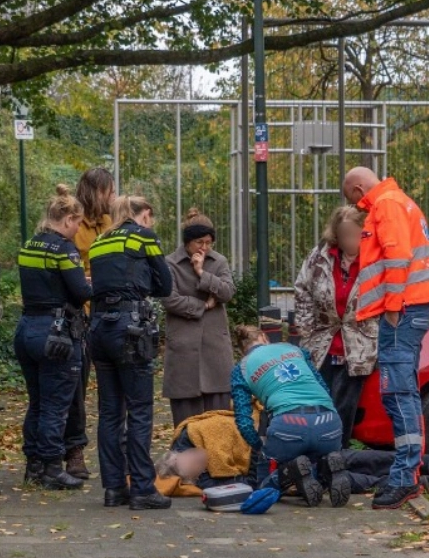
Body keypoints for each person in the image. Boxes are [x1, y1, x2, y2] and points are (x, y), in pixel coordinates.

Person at [342, 167, 429, 510]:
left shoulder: (385, 205)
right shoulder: (400, 201)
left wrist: (392, 305)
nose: (358, 209)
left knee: (398, 393)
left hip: (402, 312)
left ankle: (404, 477)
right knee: (402, 393)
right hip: (410, 310)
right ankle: (408, 472)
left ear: (359, 189)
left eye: (354, 202)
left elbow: (397, 256)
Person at [87, 195, 174, 511]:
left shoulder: (99, 242)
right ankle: (141, 488)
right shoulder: (143, 236)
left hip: (98, 328)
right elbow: (165, 285)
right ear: (144, 215)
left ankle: (113, 488)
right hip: (131, 329)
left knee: (110, 412)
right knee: (139, 409)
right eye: (151, 217)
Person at [15, 184, 93, 490]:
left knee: (36, 401)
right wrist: (94, 282)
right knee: (55, 405)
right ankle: (51, 467)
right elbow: (81, 292)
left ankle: (32, 465)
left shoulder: (29, 245)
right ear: (68, 219)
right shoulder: (64, 249)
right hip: (57, 335)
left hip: (27, 330)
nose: (78, 230)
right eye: (77, 223)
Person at [230, 325, 351, 508]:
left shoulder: (242, 368)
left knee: (264, 485)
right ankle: (326, 466)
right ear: (264, 337)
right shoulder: (295, 350)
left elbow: (244, 421)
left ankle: (289, 471)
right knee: (314, 456)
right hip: (329, 423)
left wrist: (259, 446)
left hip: (289, 424)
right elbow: (323, 388)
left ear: (241, 349)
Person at [294, 205, 377, 446]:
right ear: (336, 235)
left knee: (344, 405)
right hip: (322, 342)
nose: (350, 241)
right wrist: (306, 328)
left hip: (358, 345)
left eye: (355, 235)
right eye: (344, 235)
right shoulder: (320, 257)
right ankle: (316, 449)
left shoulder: (374, 260)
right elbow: (302, 289)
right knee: (319, 400)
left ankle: (338, 451)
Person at [62, 167, 116, 480]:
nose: (113, 196)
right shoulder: (74, 223)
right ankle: (74, 451)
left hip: (106, 312)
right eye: (109, 190)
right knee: (75, 385)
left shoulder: (110, 223)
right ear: (97, 191)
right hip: (80, 313)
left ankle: (114, 452)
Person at [162, 208, 236, 425]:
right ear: (187, 242)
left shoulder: (219, 262)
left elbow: (228, 292)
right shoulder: (170, 264)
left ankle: (216, 460)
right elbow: (169, 300)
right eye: (199, 242)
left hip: (215, 351)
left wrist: (202, 273)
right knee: (186, 425)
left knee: (219, 424)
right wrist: (203, 305)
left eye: (208, 242)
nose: (204, 248)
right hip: (184, 352)